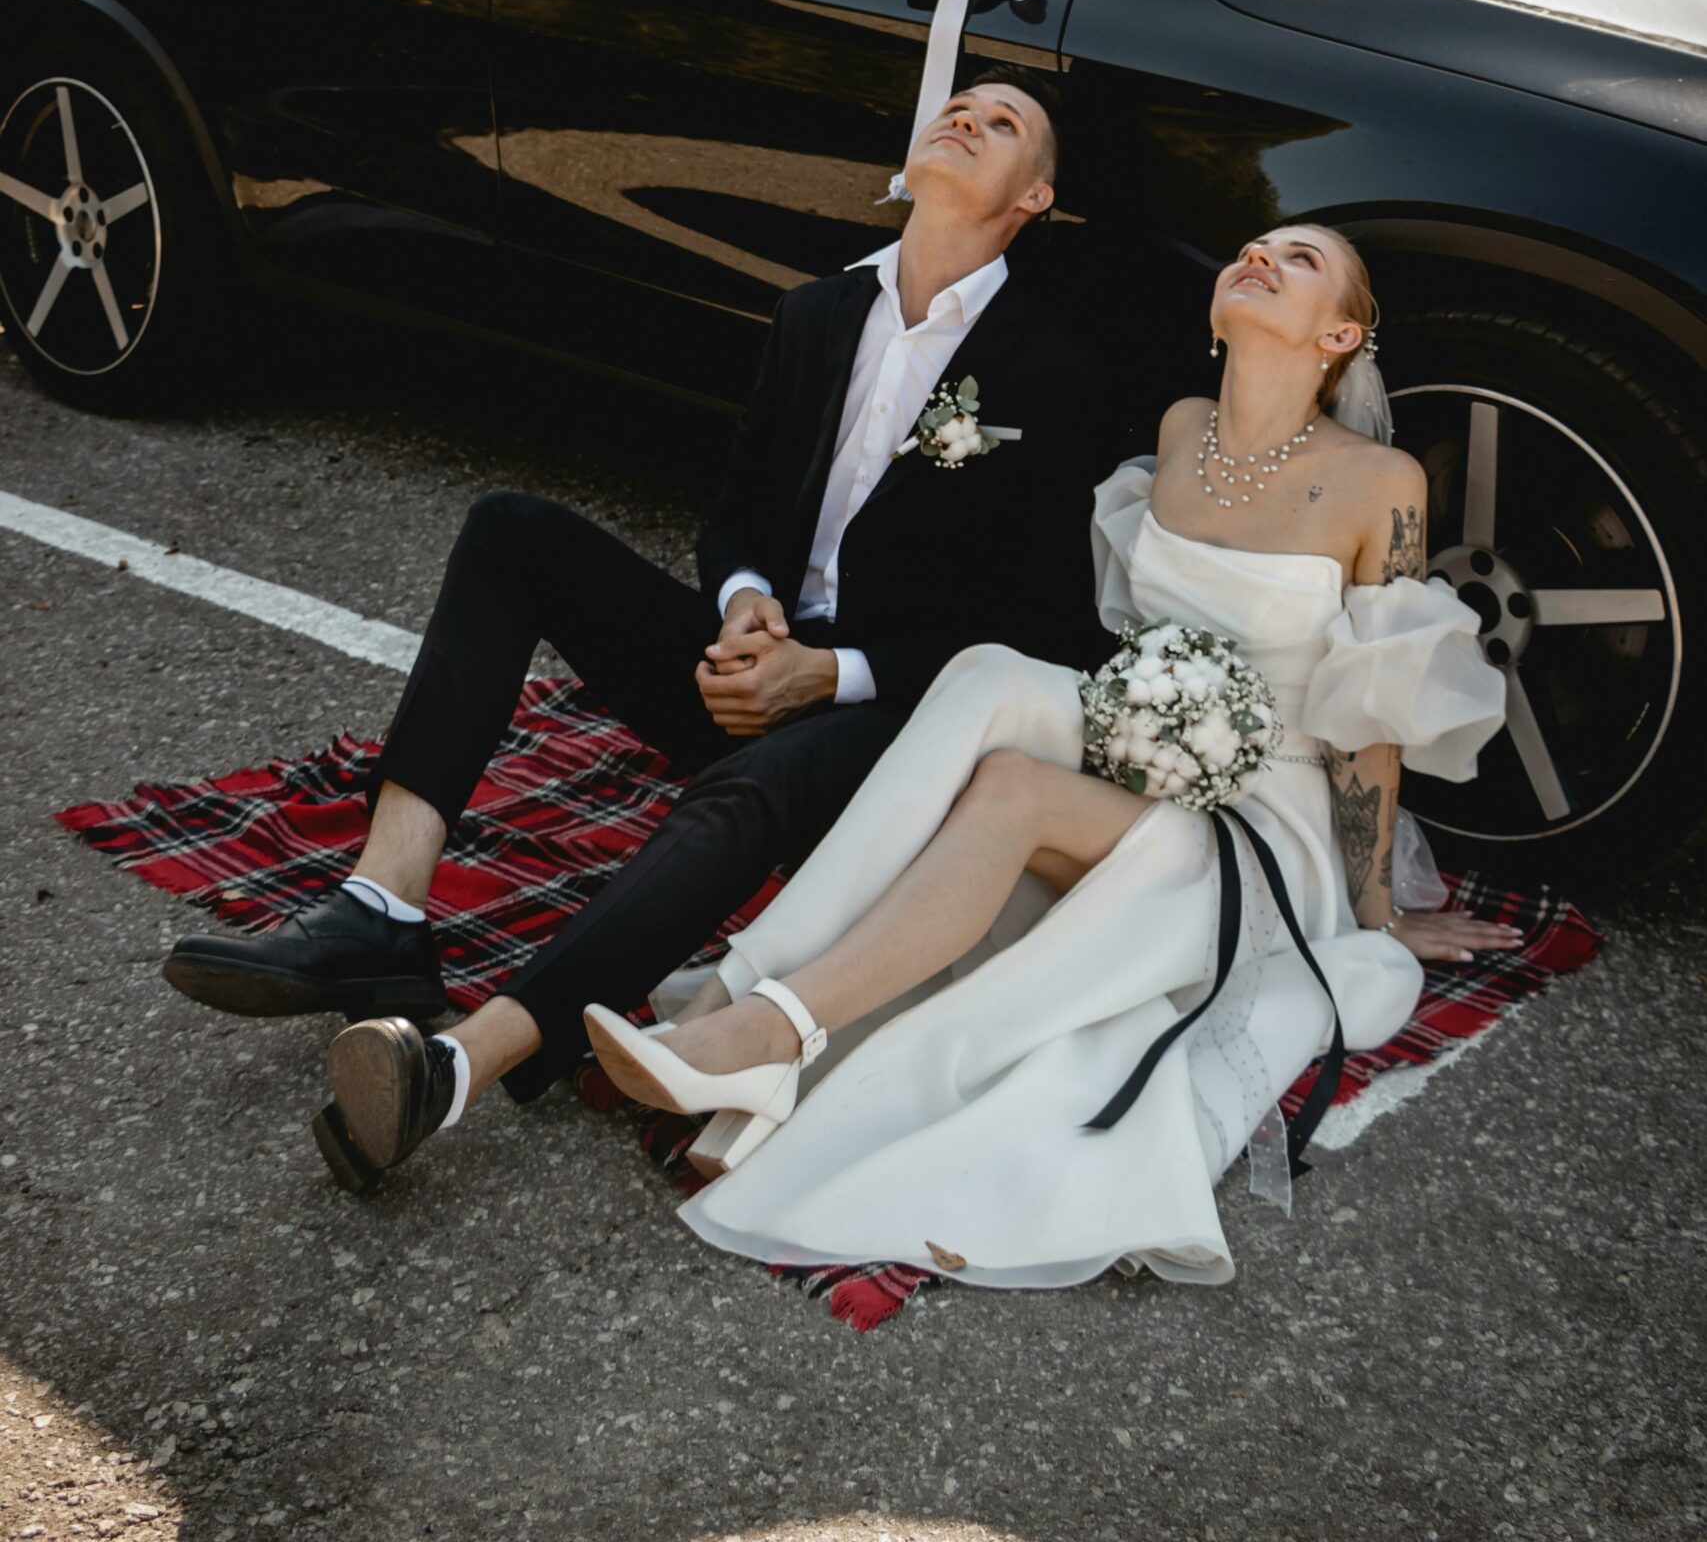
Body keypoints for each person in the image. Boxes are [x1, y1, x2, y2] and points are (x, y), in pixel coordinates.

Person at [162, 70, 1125, 1191]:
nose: (965, 117)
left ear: (1035, 197)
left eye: (1002, 122)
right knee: (511, 530)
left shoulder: (1054, 376)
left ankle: (459, 1065)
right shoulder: (815, 313)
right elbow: (736, 517)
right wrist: (744, 604)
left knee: (748, 790)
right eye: (956, 106)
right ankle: (381, 909)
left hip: (890, 721)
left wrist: (830, 673)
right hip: (752, 666)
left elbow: (1041, 628)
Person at [582, 222, 1519, 1291]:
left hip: (1265, 834)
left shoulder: (1382, 482)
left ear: (1340, 333)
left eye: (1298, 261)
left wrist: (1376, 911)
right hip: (1137, 768)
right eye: (1252, 249)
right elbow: (1128, 642)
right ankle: (747, 996)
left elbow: (1371, 723)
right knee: (988, 671)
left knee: (1017, 787)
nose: (1260, 257)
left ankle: (767, 1026)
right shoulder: (1179, 429)